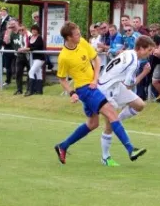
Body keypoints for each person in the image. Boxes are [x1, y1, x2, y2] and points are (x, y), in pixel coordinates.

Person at [53, 22, 147, 165]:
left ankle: (63, 146)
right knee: (112, 114)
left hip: (95, 85)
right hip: (85, 89)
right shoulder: (64, 57)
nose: (80, 36)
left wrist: (96, 79)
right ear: (68, 37)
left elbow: (96, 59)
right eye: (77, 34)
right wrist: (71, 92)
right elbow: (62, 78)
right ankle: (130, 149)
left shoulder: (82, 42)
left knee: (93, 123)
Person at [97, 35, 155, 166]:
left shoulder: (129, 52)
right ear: (140, 48)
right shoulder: (134, 62)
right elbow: (130, 85)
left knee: (139, 105)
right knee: (109, 125)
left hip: (116, 85)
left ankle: (117, 120)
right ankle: (105, 157)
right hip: (106, 90)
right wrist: (144, 73)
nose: (150, 53)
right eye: (149, 50)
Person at [18, 25, 45, 96]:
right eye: (33, 30)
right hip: (33, 58)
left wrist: (24, 49)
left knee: (31, 72)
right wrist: (23, 49)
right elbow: (28, 46)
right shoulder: (30, 37)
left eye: (35, 30)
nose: (34, 31)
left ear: (38, 30)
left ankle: (31, 90)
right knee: (38, 73)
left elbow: (35, 47)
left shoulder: (39, 38)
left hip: (39, 58)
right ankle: (39, 91)